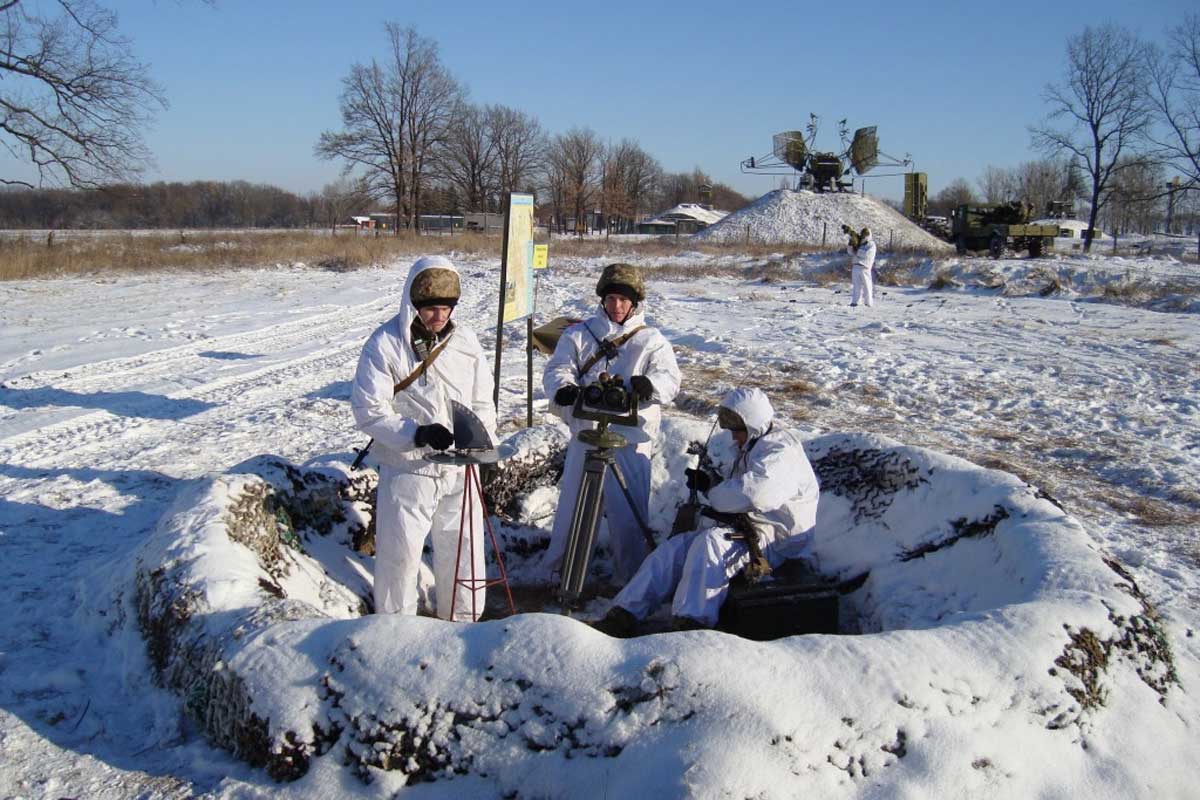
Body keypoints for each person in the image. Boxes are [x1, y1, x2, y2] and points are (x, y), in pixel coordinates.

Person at [593, 387, 820, 635]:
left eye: (738, 431)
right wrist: (711, 482)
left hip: (778, 539)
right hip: (751, 527)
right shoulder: (755, 445)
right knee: (674, 549)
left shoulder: (780, 452)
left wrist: (713, 491)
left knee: (710, 544)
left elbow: (754, 494)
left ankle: (691, 624)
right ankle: (623, 614)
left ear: (753, 425)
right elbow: (740, 491)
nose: (734, 438)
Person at [351, 255, 497, 621]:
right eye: (430, 308)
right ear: (413, 305)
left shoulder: (465, 342)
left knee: (464, 548)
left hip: (460, 468)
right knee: (400, 554)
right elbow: (369, 410)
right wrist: (415, 434)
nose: (438, 316)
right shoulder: (385, 344)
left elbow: (483, 399)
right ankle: (396, 628)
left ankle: (464, 622)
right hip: (409, 468)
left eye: (446, 308)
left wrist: (484, 447)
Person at [543, 263, 681, 584]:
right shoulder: (580, 334)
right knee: (572, 507)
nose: (616, 306)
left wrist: (650, 386)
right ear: (602, 299)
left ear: (634, 303)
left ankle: (631, 578)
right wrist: (564, 389)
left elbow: (669, 378)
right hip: (587, 433)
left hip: (631, 439)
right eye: (611, 299)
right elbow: (558, 368)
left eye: (623, 300)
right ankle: (560, 571)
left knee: (627, 513)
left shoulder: (650, 340)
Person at [849, 226, 877, 307]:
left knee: (867, 286)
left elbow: (865, 254)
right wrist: (851, 245)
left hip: (865, 267)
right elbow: (850, 252)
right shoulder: (859, 243)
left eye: (865, 233)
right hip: (855, 266)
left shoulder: (871, 244)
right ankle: (855, 302)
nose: (863, 235)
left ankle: (868, 303)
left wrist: (856, 249)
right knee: (856, 286)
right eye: (863, 233)